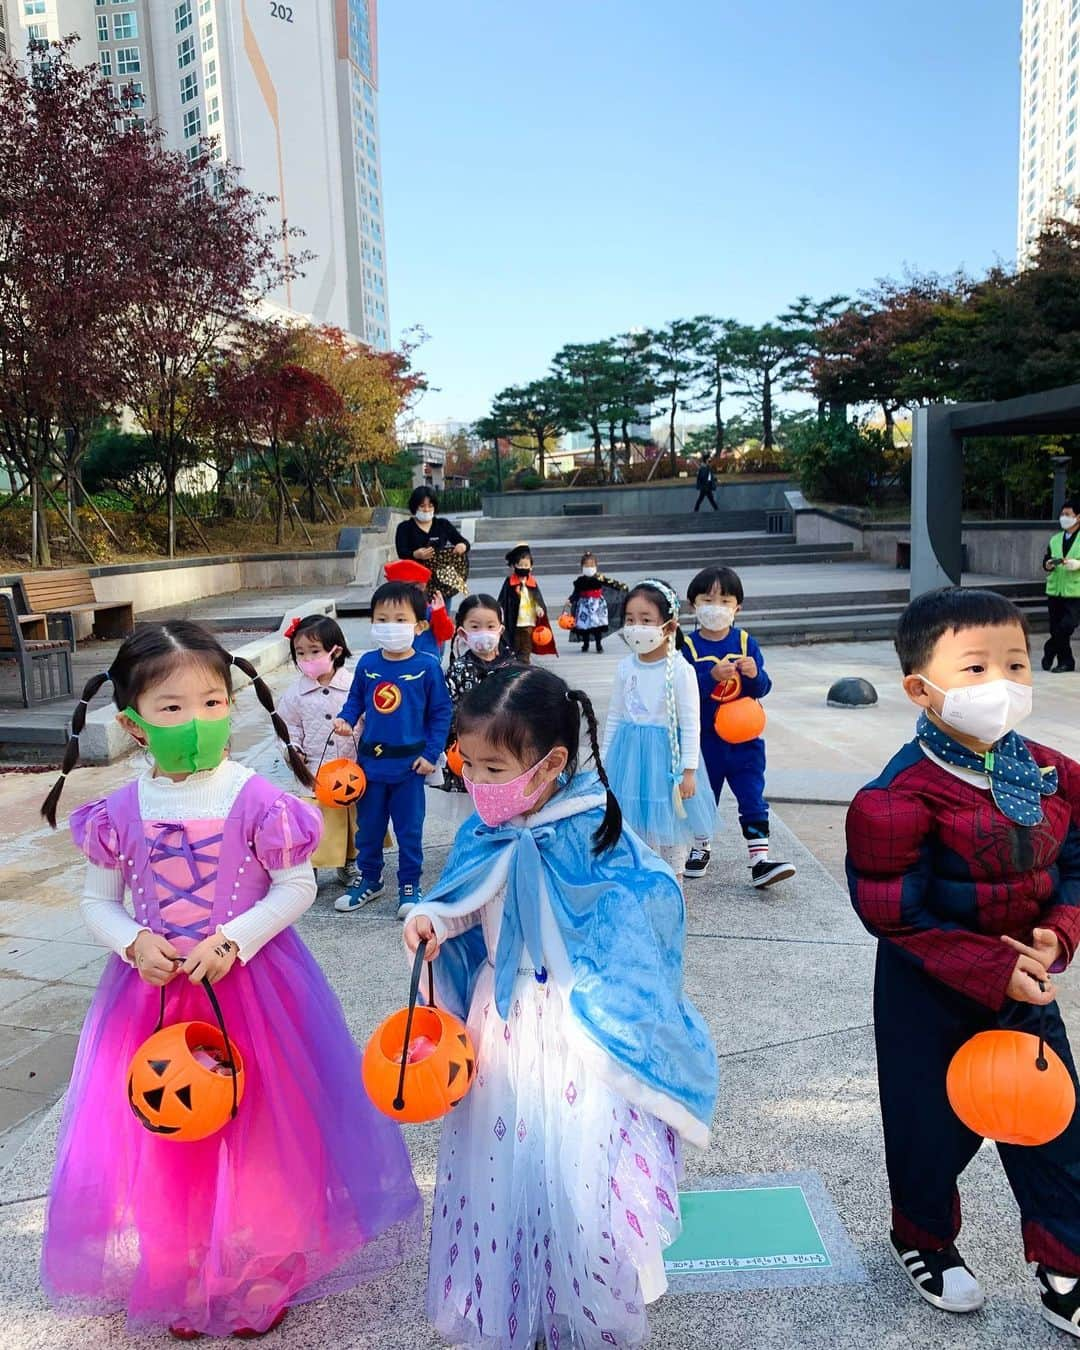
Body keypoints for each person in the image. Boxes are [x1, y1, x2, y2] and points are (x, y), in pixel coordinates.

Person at [37, 621, 421, 1339]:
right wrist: (131, 943)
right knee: (171, 1137)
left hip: (252, 991)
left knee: (262, 1133)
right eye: (173, 708)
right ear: (133, 723)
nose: (197, 721)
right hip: (152, 999)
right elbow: (97, 901)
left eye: (213, 703)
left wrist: (237, 938)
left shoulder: (255, 797)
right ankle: (179, 1265)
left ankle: (260, 1266)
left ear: (234, 704)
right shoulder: (119, 811)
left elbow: (295, 884)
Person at [403, 666, 717, 1350]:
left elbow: (649, 905)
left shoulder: (594, 831)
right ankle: (517, 1304)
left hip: (581, 1032)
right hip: (502, 1025)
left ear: (551, 764)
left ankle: (588, 1315)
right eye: (470, 763)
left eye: (494, 768)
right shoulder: (484, 833)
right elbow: (465, 901)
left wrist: (608, 994)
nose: (479, 783)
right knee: (504, 1178)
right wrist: (432, 920)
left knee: (584, 1186)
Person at [846, 587, 1080, 1336]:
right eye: (975, 668)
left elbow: (1076, 861)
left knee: (1052, 1123)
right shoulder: (895, 798)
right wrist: (984, 966)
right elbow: (893, 914)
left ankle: (1065, 1260)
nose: (1001, 684)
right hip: (930, 988)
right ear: (921, 688)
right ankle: (921, 1237)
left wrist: (1058, 932)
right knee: (929, 1129)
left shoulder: (1051, 773)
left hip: (1024, 978)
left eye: (1015, 663)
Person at [333, 580, 453, 918]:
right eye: (382, 619)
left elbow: (441, 712)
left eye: (400, 620)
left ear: (419, 626)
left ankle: (410, 886)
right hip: (371, 764)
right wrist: (345, 718)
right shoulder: (369, 663)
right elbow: (356, 699)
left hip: (409, 767)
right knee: (368, 828)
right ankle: (370, 880)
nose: (390, 627)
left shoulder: (427, 665)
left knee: (409, 830)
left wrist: (431, 754)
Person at [681, 565, 796, 888]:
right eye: (708, 599)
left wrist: (754, 675)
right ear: (694, 605)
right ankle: (700, 847)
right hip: (706, 741)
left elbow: (763, 688)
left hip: (745, 742)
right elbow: (681, 693)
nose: (716, 608)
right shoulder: (688, 648)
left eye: (725, 600)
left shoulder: (747, 643)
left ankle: (760, 858)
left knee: (752, 797)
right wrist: (710, 678)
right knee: (703, 797)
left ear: (737, 608)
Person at [602, 579, 715, 886]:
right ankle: (641, 880)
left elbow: (692, 723)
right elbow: (615, 714)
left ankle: (672, 884)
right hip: (629, 756)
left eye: (646, 620)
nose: (636, 627)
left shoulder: (680, 670)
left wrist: (688, 769)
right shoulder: (626, 667)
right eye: (630, 620)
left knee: (669, 824)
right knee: (634, 824)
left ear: (668, 626)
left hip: (666, 759)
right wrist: (605, 757)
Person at [277, 613, 361, 892]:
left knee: (350, 822)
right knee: (312, 822)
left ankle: (349, 862)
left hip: (350, 768)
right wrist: (293, 751)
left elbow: (367, 721)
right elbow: (286, 729)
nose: (307, 658)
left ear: (335, 650)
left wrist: (357, 735)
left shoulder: (353, 688)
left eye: (315, 651)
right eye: (300, 653)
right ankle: (309, 866)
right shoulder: (294, 696)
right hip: (312, 771)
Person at [439, 593, 516, 792]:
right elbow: (445, 710)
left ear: (500, 629)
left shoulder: (514, 668)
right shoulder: (459, 669)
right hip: (468, 752)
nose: (484, 632)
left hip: (506, 749)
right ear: (463, 633)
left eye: (490, 626)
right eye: (475, 627)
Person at [394, 487, 470, 603]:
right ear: (415, 507)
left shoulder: (442, 524)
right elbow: (402, 552)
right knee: (420, 613)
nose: (426, 509)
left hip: (443, 577)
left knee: (442, 612)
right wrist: (415, 554)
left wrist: (462, 546)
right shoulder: (405, 527)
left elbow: (464, 542)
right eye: (422, 506)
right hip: (417, 578)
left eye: (430, 506)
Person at [384, 559, 455, 660]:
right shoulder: (389, 610)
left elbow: (446, 634)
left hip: (426, 662)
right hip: (397, 660)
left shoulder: (428, 610)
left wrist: (439, 613)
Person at [1042, 499, 1080, 673]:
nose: (1064, 518)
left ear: (1078, 517)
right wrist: (1048, 564)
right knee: (1055, 627)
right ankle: (1066, 662)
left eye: (1068, 514)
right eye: (1062, 514)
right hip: (1055, 590)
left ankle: (1050, 650)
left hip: (1075, 592)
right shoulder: (1055, 539)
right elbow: (1046, 560)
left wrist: (1077, 564)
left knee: (1066, 626)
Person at [564, 549, 627, 653]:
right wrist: (570, 600)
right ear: (582, 567)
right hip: (584, 605)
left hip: (597, 605)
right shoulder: (580, 581)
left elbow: (612, 584)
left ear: (596, 566)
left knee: (597, 626)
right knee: (584, 626)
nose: (589, 568)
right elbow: (576, 592)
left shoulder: (600, 578)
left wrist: (622, 588)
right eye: (587, 565)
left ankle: (599, 645)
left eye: (592, 565)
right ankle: (586, 643)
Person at [496, 543, 548, 665]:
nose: (523, 567)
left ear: (531, 567)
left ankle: (524, 662)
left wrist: (539, 607)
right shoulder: (509, 582)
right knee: (514, 642)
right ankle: (515, 660)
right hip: (513, 620)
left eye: (526, 565)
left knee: (526, 643)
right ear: (514, 566)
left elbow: (537, 598)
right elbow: (503, 600)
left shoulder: (532, 582)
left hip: (528, 619)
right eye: (520, 565)